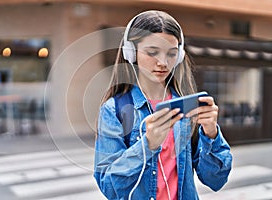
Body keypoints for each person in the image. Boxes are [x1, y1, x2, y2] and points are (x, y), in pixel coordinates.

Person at [94, 10, 232, 200]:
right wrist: (147, 145)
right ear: (131, 52)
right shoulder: (114, 110)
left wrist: (211, 134)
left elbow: (215, 180)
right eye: (152, 52)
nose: (163, 62)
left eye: (172, 54)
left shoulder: (187, 106)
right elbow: (110, 188)